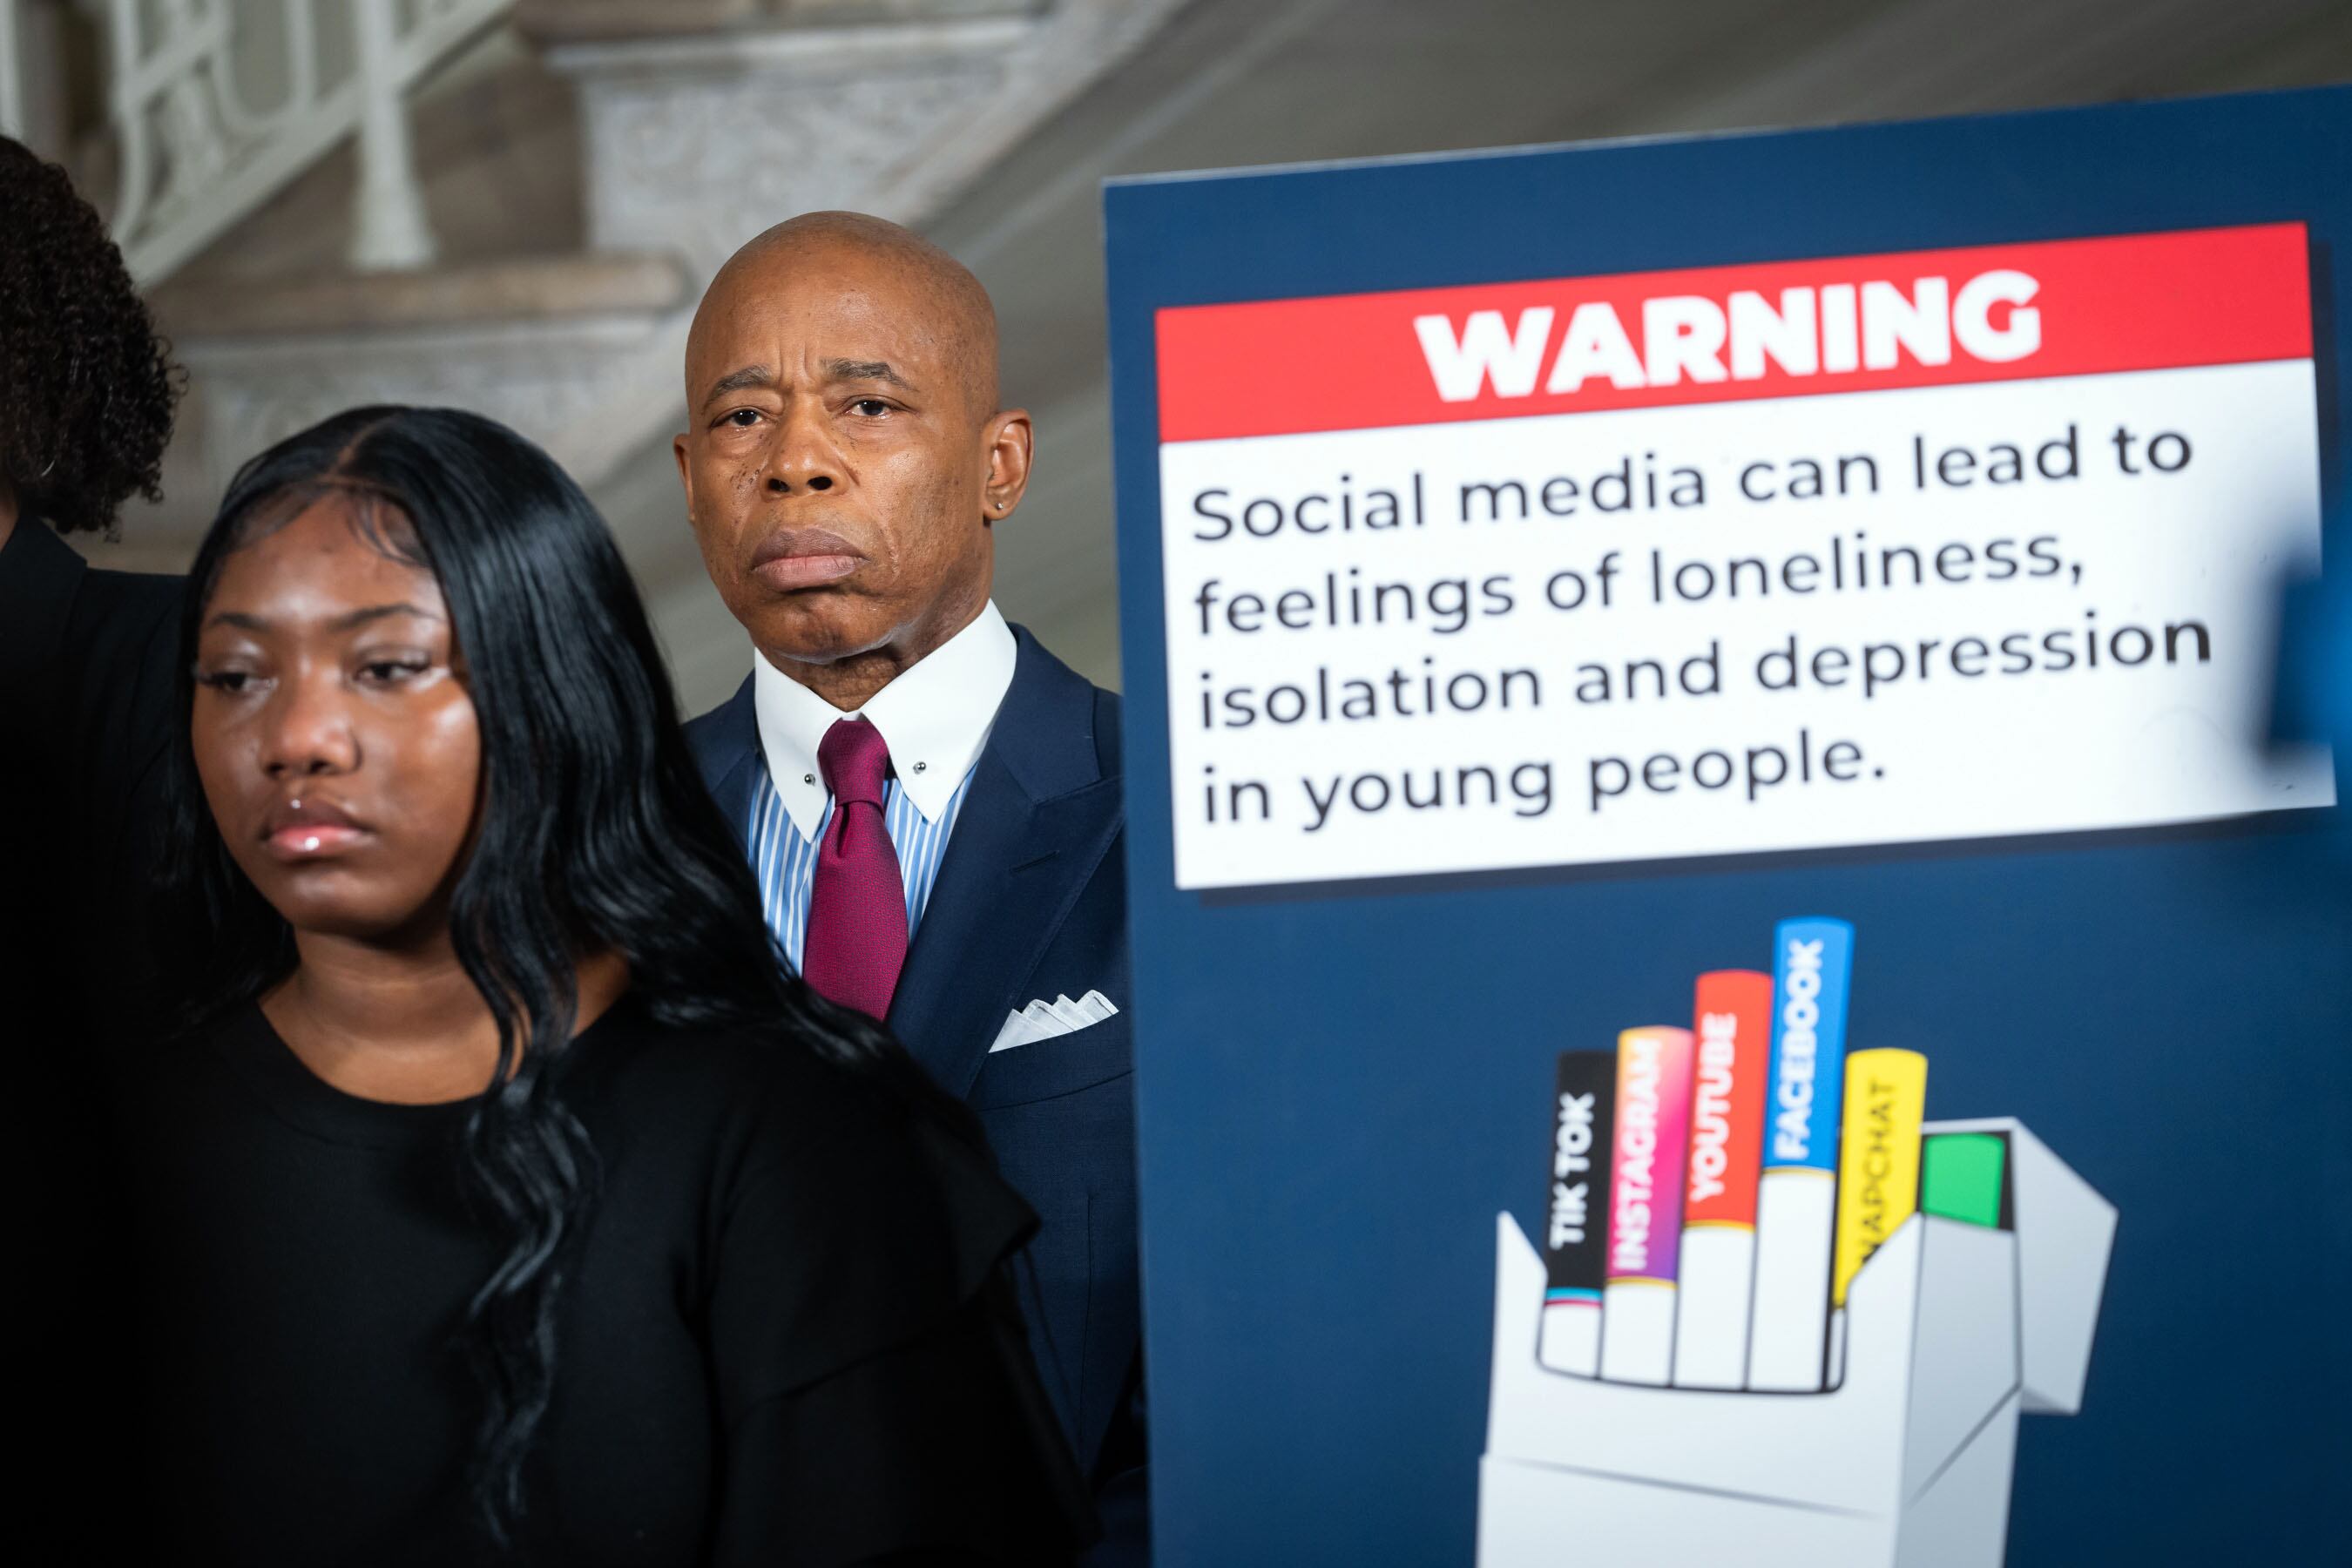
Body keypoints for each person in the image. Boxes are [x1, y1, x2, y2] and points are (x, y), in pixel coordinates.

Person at [100, 405, 1093, 1563]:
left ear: (550, 690)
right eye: (235, 675)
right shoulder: (110, 1133)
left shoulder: (793, 1137)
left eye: (385, 666)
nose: (297, 737)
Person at [672, 213, 1144, 1557]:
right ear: (692, 474)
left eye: (866, 405)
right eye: (744, 420)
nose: (798, 464)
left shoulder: (1177, 807)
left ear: (1001, 465)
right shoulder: (599, 846)